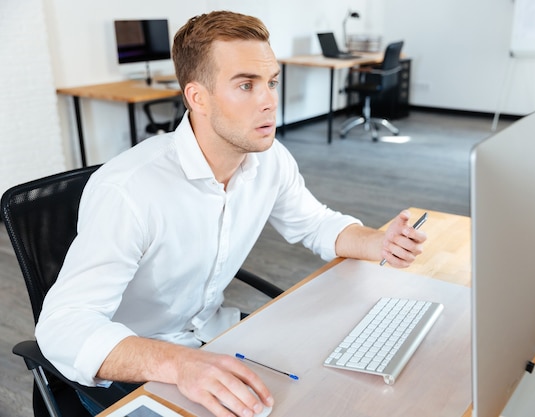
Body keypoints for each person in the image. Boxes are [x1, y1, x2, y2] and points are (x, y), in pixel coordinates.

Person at [35, 10, 427, 417]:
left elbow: (314, 222)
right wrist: (178, 363)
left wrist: (377, 240)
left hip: (213, 338)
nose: (270, 101)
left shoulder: (270, 160)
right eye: (246, 85)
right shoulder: (130, 191)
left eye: (271, 82)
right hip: (135, 366)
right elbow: (62, 327)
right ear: (197, 97)